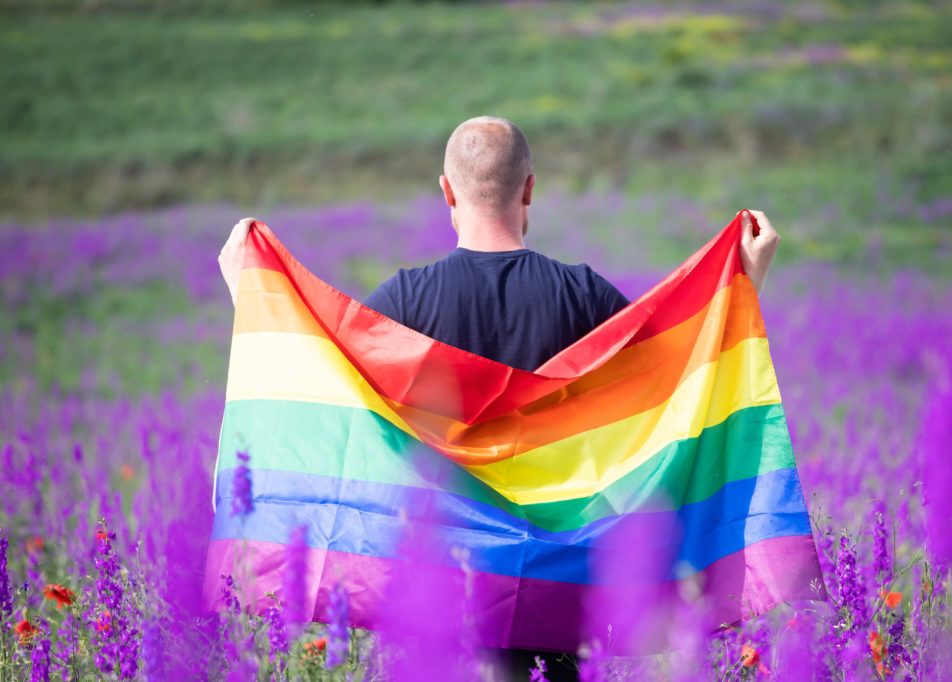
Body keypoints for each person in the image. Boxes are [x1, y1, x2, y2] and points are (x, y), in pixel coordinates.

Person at [218, 116, 780, 681]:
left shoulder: (403, 304)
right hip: (559, 603)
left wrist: (253, 300)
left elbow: (324, 395)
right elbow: (678, 386)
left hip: (440, 610)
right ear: (530, 188)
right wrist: (744, 286)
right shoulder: (584, 297)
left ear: (447, 191)